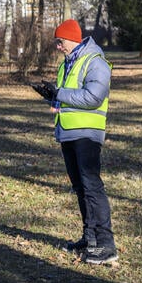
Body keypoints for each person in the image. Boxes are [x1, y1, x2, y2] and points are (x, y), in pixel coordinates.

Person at [32, 20, 118, 265]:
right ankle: (90, 238)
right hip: (69, 132)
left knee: (92, 188)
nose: (58, 46)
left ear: (72, 39)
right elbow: (69, 95)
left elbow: (93, 97)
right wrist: (52, 97)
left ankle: (106, 245)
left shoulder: (95, 62)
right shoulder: (68, 63)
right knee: (81, 188)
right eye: (57, 42)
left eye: (60, 42)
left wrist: (59, 94)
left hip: (87, 134)